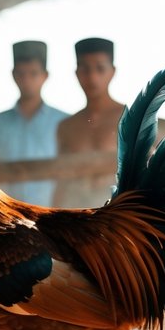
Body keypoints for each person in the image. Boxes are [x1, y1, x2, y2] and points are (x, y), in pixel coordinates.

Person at [0, 41, 68, 206]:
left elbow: (68, 177)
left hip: (53, 216)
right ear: (13, 75)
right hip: (6, 217)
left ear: (45, 75)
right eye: (21, 73)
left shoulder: (64, 122)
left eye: (33, 73)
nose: (26, 80)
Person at [53, 38, 120, 207]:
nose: (92, 76)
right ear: (77, 73)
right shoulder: (66, 127)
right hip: (77, 220)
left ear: (112, 72)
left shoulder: (131, 118)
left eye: (100, 68)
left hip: (120, 219)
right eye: (85, 69)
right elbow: (60, 182)